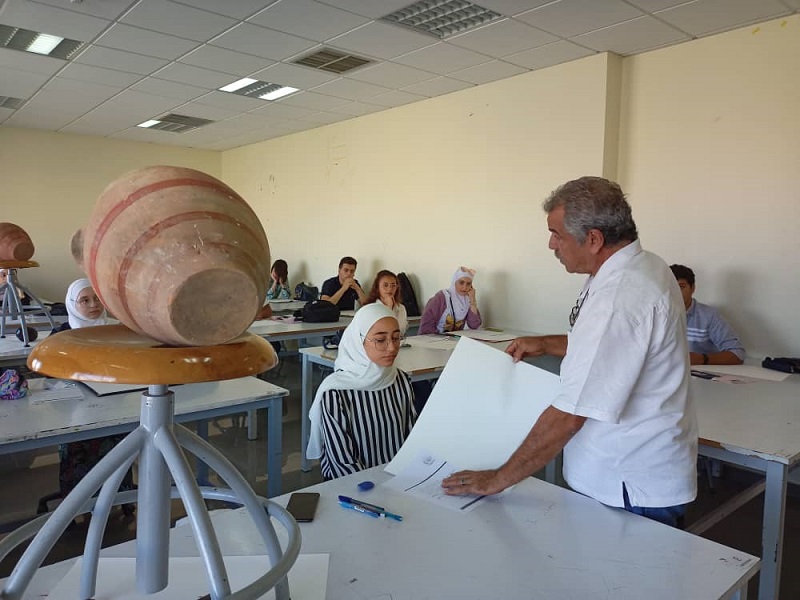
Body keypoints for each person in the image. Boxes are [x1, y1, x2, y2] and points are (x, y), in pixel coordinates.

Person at [441, 177, 697, 528]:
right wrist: (547, 343)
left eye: (556, 234)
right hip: (632, 471)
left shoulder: (620, 296)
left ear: (593, 239)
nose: (551, 244)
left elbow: (569, 416)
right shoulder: (643, 265)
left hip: (627, 486)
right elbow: (613, 347)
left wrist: (496, 480)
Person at [306, 303, 417, 480]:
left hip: (396, 476)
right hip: (352, 484)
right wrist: (372, 487)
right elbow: (342, 463)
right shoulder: (335, 392)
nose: (392, 348)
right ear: (358, 341)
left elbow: (411, 437)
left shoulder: (400, 379)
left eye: (396, 338)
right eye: (380, 340)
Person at [57, 279, 135, 504]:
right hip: (76, 410)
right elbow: (53, 376)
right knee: (79, 456)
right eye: (84, 300)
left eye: (97, 299)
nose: (93, 305)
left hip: (115, 404)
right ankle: (77, 507)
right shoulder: (62, 335)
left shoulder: (117, 330)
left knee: (119, 453)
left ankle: (119, 499)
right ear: (73, 303)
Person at [670, 264, 745, 366]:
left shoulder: (708, 316)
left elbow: (738, 354)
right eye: (671, 287)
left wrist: (702, 359)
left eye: (681, 287)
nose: (676, 292)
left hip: (698, 372)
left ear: (692, 288)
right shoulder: (656, 314)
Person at [419, 267, 481, 334]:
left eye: (468, 284)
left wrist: (472, 300)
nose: (465, 287)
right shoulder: (441, 298)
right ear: (454, 282)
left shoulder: (467, 300)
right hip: (433, 337)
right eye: (461, 282)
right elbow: (426, 326)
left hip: (453, 338)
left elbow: (474, 325)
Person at [364, 269, 408, 335]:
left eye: (393, 285)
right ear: (377, 287)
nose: (390, 289)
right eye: (385, 285)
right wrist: (389, 308)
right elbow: (380, 331)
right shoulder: (370, 308)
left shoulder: (401, 308)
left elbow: (401, 332)